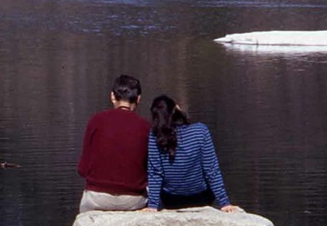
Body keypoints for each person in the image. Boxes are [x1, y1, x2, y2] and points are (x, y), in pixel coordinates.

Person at [144, 95, 242, 212]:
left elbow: (155, 173)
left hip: (171, 200)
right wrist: (224, 203)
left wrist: (152, 206)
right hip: (201, 198)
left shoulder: (155, 136)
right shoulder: (200, 131)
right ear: (176, 109)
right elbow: (211, 170)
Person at [75, 74, 150, 211]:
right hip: (133, 199)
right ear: (138, 98)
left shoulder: (96, 121)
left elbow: (83, 169)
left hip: (97, 197)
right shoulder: (146, 126)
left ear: (112, 96)